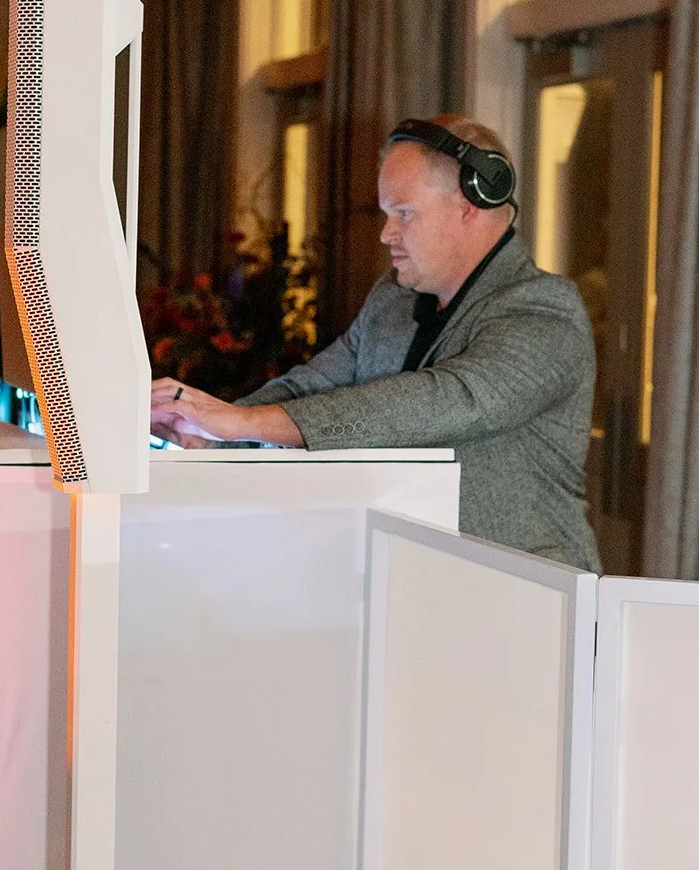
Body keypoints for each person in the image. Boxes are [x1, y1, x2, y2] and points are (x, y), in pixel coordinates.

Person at [151, 115, 600, 570]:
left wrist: (240, 424)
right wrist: (210, 436)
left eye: (403, 213)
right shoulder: (393, 299)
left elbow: (445, 401)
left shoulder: (544, 313)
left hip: (529, 602)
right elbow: (311, 389)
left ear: (470, 205)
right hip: (406, 590)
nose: (386, 233)